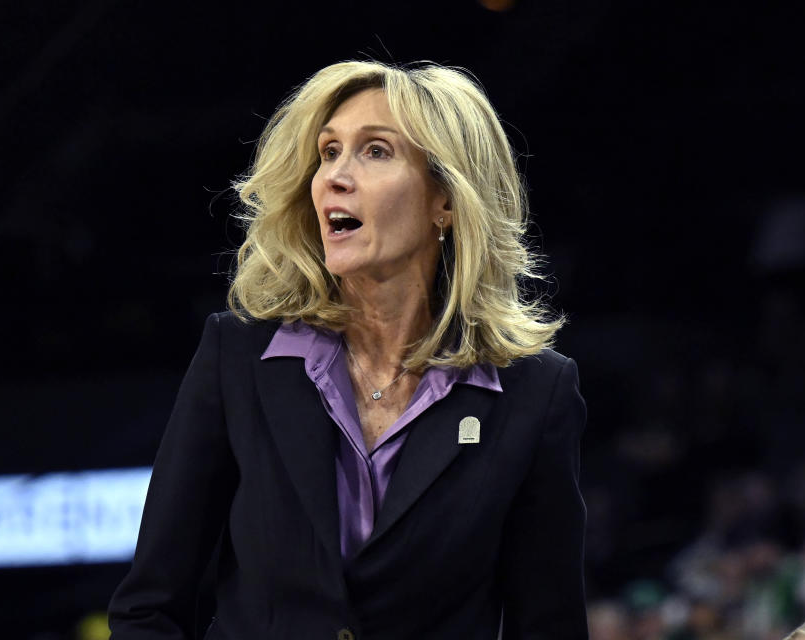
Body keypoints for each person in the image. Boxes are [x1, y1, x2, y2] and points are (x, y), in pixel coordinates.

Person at [108, 60, 589, 639]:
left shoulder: (533, 392)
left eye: (375, 151)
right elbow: (149, 607)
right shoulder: (238, 356)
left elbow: (550, 625)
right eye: (328, 151)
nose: (334, 175)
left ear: (447, 201)